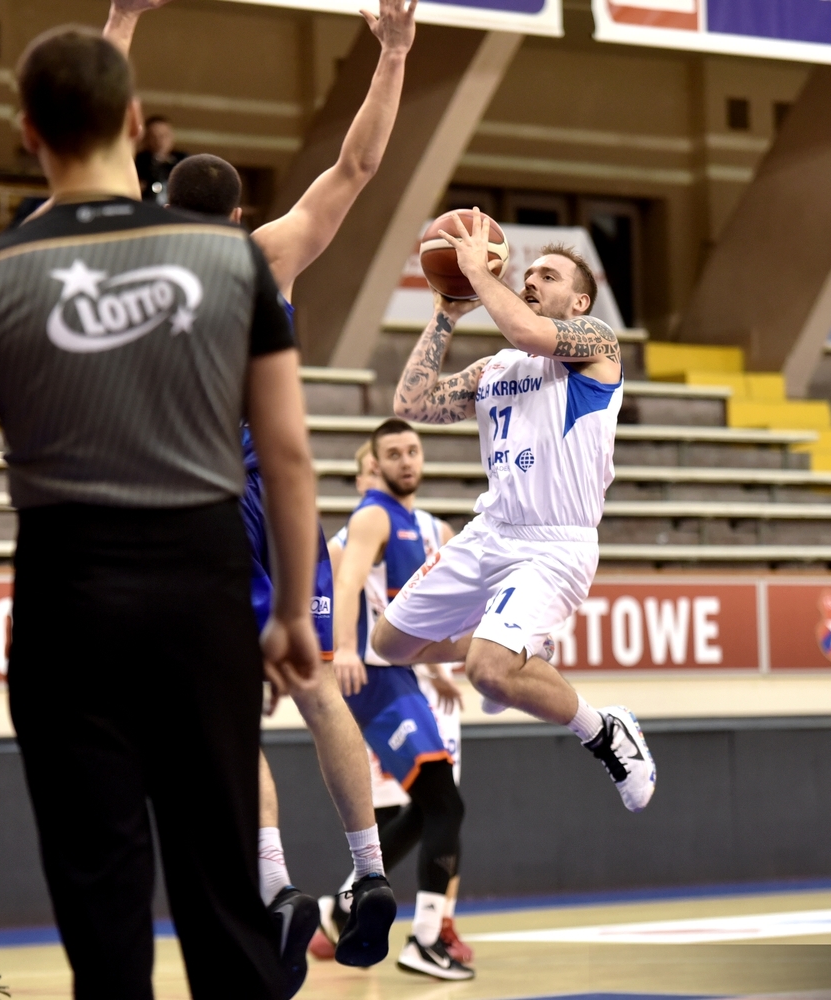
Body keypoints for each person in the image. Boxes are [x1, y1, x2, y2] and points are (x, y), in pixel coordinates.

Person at [0, 26, 321, 1000]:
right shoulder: (231, 260)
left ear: (27, 133)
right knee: (222, 887)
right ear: (135, 122)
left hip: (66, 598)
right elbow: (290, 454)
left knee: (101, 900)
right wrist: (291, 610)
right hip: (204, 586)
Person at [101, 0, 418, 981]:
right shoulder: (269, 254)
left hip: (195, 503)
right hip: (277, 500)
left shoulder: (142, 251)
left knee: (227, 708)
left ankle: (276, 883)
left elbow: (95, 135)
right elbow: (358, 166)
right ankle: (369, 870)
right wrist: (394, 52)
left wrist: (121, 19)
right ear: (240, 214)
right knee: (316, 685)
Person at [373, 215, 659, 816]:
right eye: (528, 274)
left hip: (554, 546)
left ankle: (603, 730)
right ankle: (521, 643)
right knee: (390, 643)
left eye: (548, 276)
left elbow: (530, 332)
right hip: (490, 533)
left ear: (579, 301)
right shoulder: (495, 369)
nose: (531, 280)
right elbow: (412, 403)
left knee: (487, 671)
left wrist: (478, 272)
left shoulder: (597, 345)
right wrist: (446, 314)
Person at [317, 419, 471, 979]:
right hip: (374, 681)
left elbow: (418, 615)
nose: (406, 461)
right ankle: (426, 937)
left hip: (402, 677)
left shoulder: (418, 523)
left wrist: (441, 666)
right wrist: (342, 649)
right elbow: (344, 584)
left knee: (430, 807)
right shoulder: (372, 517)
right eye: (393, 453)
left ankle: (348, 904)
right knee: (443, 804)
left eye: (414, 450)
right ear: (373, 466)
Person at [135, 114, 186, 204]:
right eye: (153, 137)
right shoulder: (138, 163)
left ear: (172, 136)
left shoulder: (183, 161)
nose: (159, 141)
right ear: (146, 139)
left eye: (164, 136)